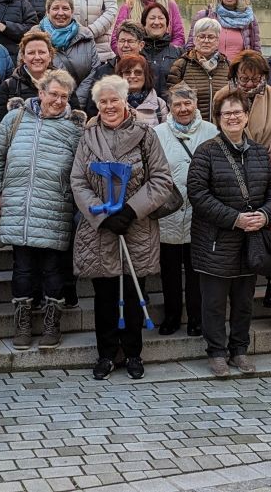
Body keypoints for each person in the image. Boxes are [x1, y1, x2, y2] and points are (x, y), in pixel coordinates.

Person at [71, 75, 173, 380]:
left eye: (113, 99)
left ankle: (132, 353)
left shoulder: (145, 135)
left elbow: (161, 179)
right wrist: (101, 215)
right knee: (104, 296)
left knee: (132, 292)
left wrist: (130, 210)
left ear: (125, 100)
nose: (108, 106)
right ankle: (105, 354)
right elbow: (77, 181)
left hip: (135, 227)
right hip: (100, 228)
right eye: (102, 101)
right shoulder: (88, 136)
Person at [0, 70, 86, 350]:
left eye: (64, 97)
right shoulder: (14, 119)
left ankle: (53, 324)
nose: (58, 100)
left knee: (54, 270)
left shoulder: (73, 129)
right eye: (53, 94)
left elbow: (80, 170)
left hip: (56, 206)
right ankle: (23, 324)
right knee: (23, 269)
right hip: (19, 205)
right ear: (41, 93)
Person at [187, 89, 271, 376]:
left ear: (245, 116)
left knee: (243, 303)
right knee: (214, 303)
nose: (232, 117)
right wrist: (235, 219)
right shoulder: (206, 152)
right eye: (226, 113)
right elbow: (198, 194)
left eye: (237, 112)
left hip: (250, 242)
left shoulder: (259, 152)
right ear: (217, 118)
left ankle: (239, 350)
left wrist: (264, 215)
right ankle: (216, 351)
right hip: (215, 242)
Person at [154, 82, 220, 337]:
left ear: (195, 105)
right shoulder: (157, 133)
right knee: (169, 271)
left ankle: (196, 317)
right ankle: (171, 316)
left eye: (187, 103)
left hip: (199, 214)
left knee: (196, 272)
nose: (183, 108)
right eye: (177, 104)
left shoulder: (211, 131)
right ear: (170, 107)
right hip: (168, 213)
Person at [214, 49, 271, 156]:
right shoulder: (222, 95)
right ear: (235, 75)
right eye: (244, 79)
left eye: (255, 79)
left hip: (264, 156)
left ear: (263, 76)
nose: (250, 84)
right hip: (230, 155)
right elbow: (215, 128)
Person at [34, 0, 99, 110]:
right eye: (55, 8)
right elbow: (27, 71)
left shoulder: (86, 36)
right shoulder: (34, 36)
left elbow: (94, 71)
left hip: (79, 106)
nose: (60, 13)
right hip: (45, 108)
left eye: (65, 8)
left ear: (72, 11)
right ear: (47, 12)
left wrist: (74, 101)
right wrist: (53, 100)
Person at [166, 18, 230, 122]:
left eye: (211, 37)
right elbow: (172, 100)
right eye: (201, 36)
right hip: (191, 129)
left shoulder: (227, 66)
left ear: (218, 41)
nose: (206, 41)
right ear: (195, 39)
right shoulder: (182, 65)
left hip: (221, 129)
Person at [186, 0, 260, 60]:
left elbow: (256, 52)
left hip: (237, 72)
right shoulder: (204, 16)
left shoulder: (249, 19)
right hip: (208, 71)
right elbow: (190, 47)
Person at [111, 0, 185, 53]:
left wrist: (167, 55)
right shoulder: (128, 8)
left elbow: (179, 37)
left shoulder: (170, 6)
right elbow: (115, 40)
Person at [87, 20, 147, 117]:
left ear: (141, 45)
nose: (125, 45)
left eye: (131, 41)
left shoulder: (149, 70)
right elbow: (92, 107)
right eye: (122, 41)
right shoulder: (103, 72)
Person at [141, 2, 183, 98]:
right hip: (142, 110)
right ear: (144, 24)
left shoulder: (179, 53)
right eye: (152, 18)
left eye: (161, 18)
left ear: (167, 24)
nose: (156, 22)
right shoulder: (137, 52)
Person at [116, 53, 167, 127]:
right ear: (121, 76)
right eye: (127, 72)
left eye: (138, 72)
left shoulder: (160, 104)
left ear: (146, 76)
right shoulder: (112, 103)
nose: (132, 76)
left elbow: (164, 134)